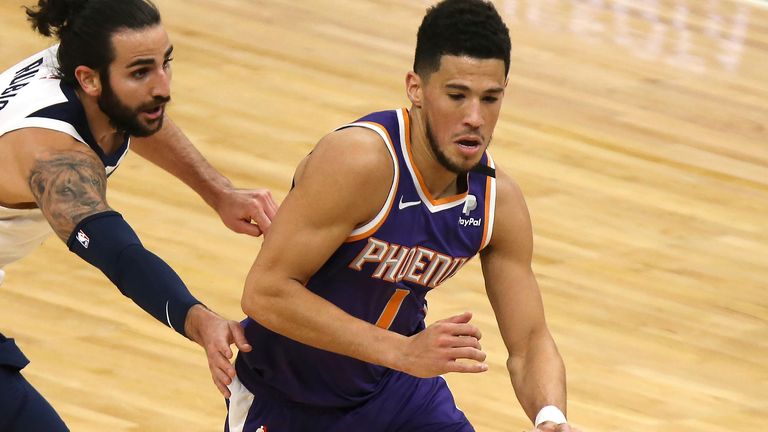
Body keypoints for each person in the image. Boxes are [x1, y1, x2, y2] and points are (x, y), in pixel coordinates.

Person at [233, 0, 579, 431]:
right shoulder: (359, 161)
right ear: (415, 88)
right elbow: (265, 292)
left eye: (491, 98)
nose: (475, 118)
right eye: (456, 96)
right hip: (290, 397)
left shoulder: (497, 202)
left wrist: (551, 417)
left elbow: (529, 342)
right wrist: (402, 351)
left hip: (398, 392)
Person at [0, 0, 278, 430]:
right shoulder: (51, 156)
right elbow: (120, 255)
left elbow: (138, 115)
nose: (162, 87)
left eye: (165, 64)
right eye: (141, 72)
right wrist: (197, 318)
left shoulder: (83, 67)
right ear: (88, 81)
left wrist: (219, 192)